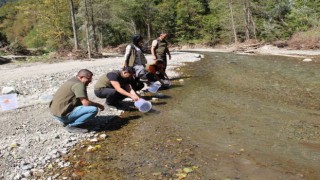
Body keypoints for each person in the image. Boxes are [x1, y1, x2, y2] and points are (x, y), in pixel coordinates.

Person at [49, 69, 105, 133]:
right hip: (62, 116)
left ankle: (67, 120)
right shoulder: (79, 85)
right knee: (93, 109)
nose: (90, 81)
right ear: (81, 77)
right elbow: (86, 103)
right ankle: (72, 126)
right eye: (88, 79)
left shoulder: (72, 80)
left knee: (83, 105)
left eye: (91, 79)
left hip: (55, 113)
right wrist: (99, 105)